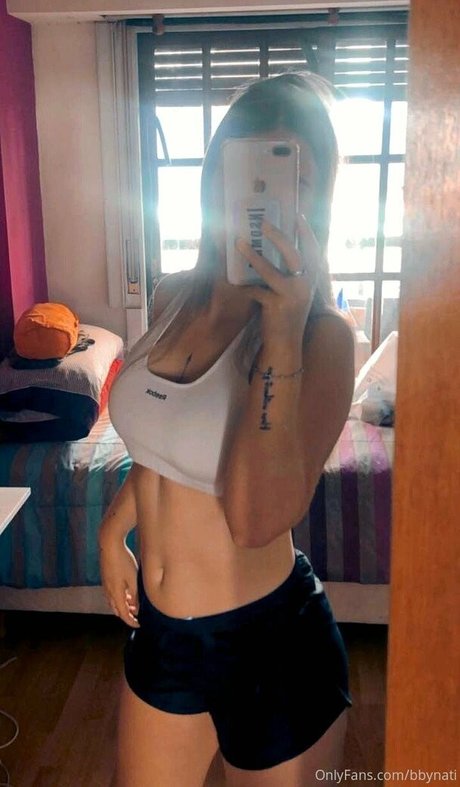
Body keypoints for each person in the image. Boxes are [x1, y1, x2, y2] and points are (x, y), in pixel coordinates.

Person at [100, 71, 356, 787]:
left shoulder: (324, 339)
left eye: (296, 179)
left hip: (271, 643)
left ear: (317, 202)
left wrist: (281, 329)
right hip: (163, 639)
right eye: (248, 169)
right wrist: (112, 531)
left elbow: (256, 519)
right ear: (216, 176)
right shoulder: (172, 294)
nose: (267, 196)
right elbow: (160, 444)